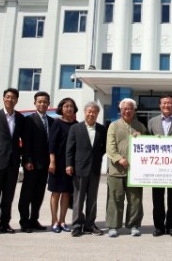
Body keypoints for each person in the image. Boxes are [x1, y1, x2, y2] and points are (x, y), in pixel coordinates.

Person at [0, 88, 33, 238]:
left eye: (13, 97)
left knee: (8, 196)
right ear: (3, 98)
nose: (10, 100)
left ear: (17, 100)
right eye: (8, 97)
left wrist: (27, 159)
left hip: (13, 162)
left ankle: (4, 224)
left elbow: (25, 142)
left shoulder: (20, 118)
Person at [147, 94, 172, 237]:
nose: (166, 105)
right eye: (164, 103)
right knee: (157, 199)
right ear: (160, 105)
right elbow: (146, 142)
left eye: (169, 103)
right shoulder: (152, 122)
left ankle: (171, 227)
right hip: (157, 168)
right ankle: (158, 227)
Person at [106, 98, 148, 238]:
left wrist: (142, 137)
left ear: (134, 110)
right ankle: (113, 226)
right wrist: (119, 159)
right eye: (124, 108)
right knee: (115, 199)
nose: (127, 111)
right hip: (116, 170)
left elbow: (149, 144)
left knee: (135, 200)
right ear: (120, 110)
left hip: (135, 172)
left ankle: (134, 225)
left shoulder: (140, 126)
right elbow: (110, 147)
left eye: (130, 108)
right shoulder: (114, 125)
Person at [66, 101, 107, 237]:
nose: (91, 114)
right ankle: (77, 225)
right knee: (78, 198)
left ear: (97, 114)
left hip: (94, 169)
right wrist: (69, 164)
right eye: (89, 111)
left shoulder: (102, 129)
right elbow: (70, 149)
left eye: (94, 112)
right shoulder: (75, 128)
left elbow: (103, 148)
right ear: (85, 112)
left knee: (92, 199)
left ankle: (90, 225)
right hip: (79, 168)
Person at [18, 91, 54, 233]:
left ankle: (34, 219)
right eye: (39, 102)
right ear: (35, 103)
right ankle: (24, 221)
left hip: (45, 164)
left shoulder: (52, 121)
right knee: (27, 194)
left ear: (48, 104)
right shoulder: (29, 120)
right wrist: (27, 160)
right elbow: (26, 142)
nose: (42, 104)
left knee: (39, 194)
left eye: (45, 102)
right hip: (31, 164)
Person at [48, 97, 78, 233]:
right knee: (56, 193)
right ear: (61, 108)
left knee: (66, 193)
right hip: (57, 163)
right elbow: (52, 144)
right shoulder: (57, 123)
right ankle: (54, 221)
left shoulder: (77, 125)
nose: (69, 108)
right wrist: (52, 161)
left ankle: (63, 220)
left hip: (70, 164)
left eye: (71, 106)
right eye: (66, 106)